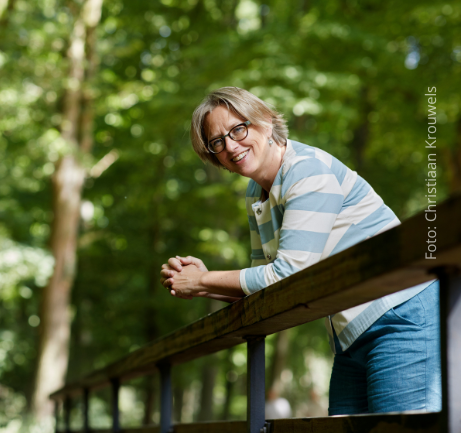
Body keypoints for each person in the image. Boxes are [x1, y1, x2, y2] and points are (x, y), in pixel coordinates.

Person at [160, 87, 440, 415]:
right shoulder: (257, 192)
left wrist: (204, 280)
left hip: (400, 314)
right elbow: (268, 292)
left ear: (265, 121)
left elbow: (289, 275)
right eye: (217, 142)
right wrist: (200, 283)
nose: (231, 146)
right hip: (350, 334)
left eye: (238, 129)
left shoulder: (308, 171)